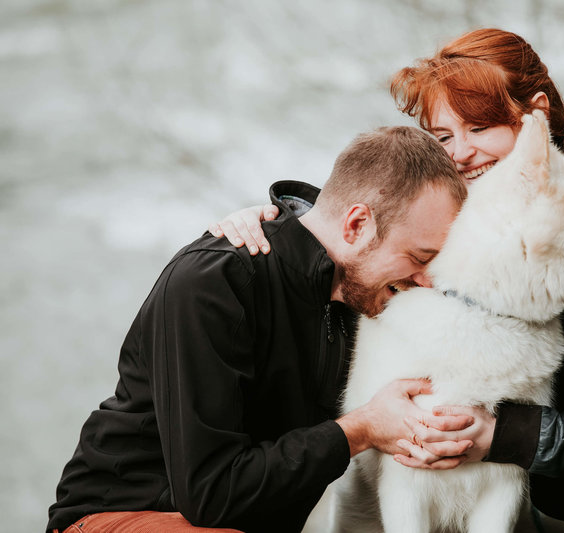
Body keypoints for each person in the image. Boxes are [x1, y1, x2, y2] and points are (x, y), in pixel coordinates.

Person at [210, 28, 564, 532]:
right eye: (443, 137)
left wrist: (502, 433)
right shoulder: (455, 220)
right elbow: (357, 221)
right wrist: (277, 219)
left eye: (481, 128)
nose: (461, 154)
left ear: (534, 115)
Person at [47, 126, 470, 533]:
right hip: (115, 516)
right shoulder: (215, 282)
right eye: (419, 256)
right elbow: (211, 494)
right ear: (357, 225)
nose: (427, 280)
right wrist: (362, 428)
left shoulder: (362, 300)